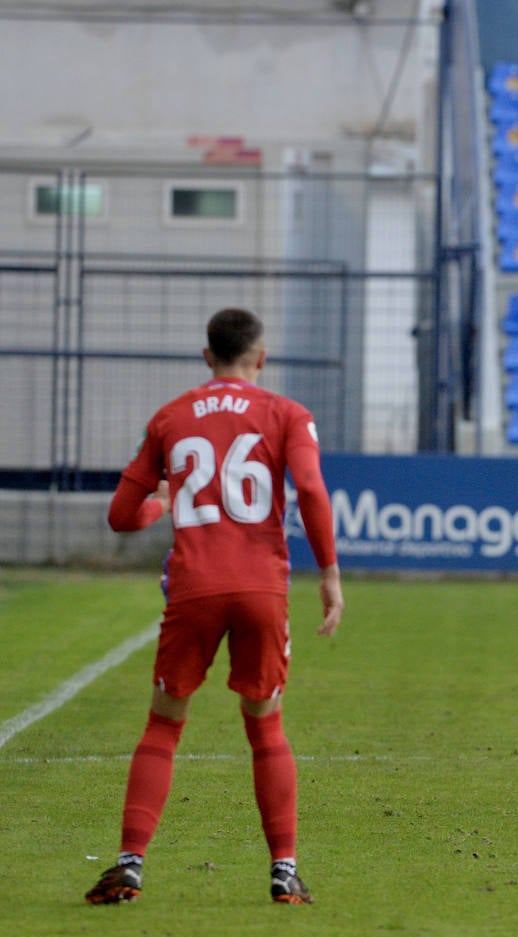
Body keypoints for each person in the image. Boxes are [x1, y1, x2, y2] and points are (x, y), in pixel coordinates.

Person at [85, 307, 344, 906]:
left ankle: (130, 864)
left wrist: (162, 503)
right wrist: (330, 574)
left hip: (194, 587)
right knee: (266, 725)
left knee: (163, 723)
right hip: (260, 589)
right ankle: (284, 872)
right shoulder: (288, 414)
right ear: (261, 358)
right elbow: (310, 488)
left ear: (207, 356)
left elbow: (121, 516)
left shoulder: (170, 417)